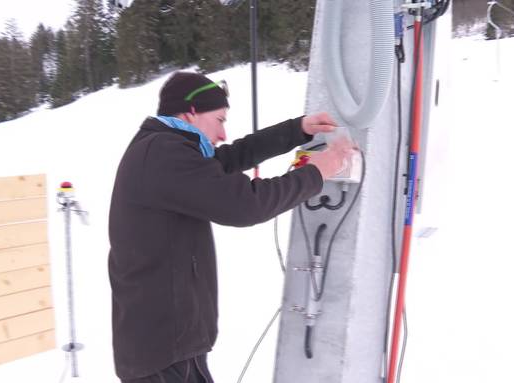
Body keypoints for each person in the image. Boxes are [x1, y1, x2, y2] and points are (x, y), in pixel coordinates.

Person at [108, 71, 353, 383]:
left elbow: (233, 155)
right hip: (163, 352)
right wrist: (317, 173)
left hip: (169, 345)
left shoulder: (167, 149)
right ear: (191, 112)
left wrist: (298, 130)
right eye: (220, 119)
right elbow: (244, 205)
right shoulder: (163, 154)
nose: (223, 133)